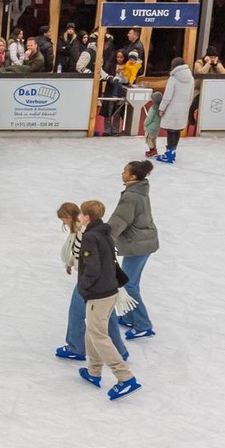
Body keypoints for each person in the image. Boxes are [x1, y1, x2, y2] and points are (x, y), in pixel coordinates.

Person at [76, 200, 140, 400]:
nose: (79, 216)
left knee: (99, 336)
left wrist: (83, 286)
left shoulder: (90, 237)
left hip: (99, 293)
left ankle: (125, 377)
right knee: (92, 331)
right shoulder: (105, 232)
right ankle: (94, 371)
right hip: (109, 289)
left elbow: (93, 268)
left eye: (81, 213)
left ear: (87, 216)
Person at [55, 202, 129, 363]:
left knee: (76, 313)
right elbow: (77, 253)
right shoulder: (87, 230)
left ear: (69, 217)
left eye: (63, 220)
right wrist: (70, 263)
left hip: (92, 282)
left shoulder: (84, 232)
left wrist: (84, 283)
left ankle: (76, 348)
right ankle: (120, 350)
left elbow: (90, 260)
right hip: (103, 282)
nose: (63, 223)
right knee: (107, 317)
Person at [107, 160, 160, 342]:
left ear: (133, 177)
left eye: (125, 171)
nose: (122, 173)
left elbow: (120, 219)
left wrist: (103, 237)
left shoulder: (131, 196)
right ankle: (130, 318)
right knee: (132, 284)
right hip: (143, 242)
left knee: (128, 285)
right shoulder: (139, 190)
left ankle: (143, 325)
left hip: (138, 244)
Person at [152, 58, 194, 164]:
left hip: (172, 108)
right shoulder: (191, 78)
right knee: (177, 130)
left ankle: (169, 154)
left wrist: (162, 108)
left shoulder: (173, 78)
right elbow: (191, 95)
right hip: (183, 108)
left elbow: (167, 96)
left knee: (171, 131)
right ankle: (173, 152)